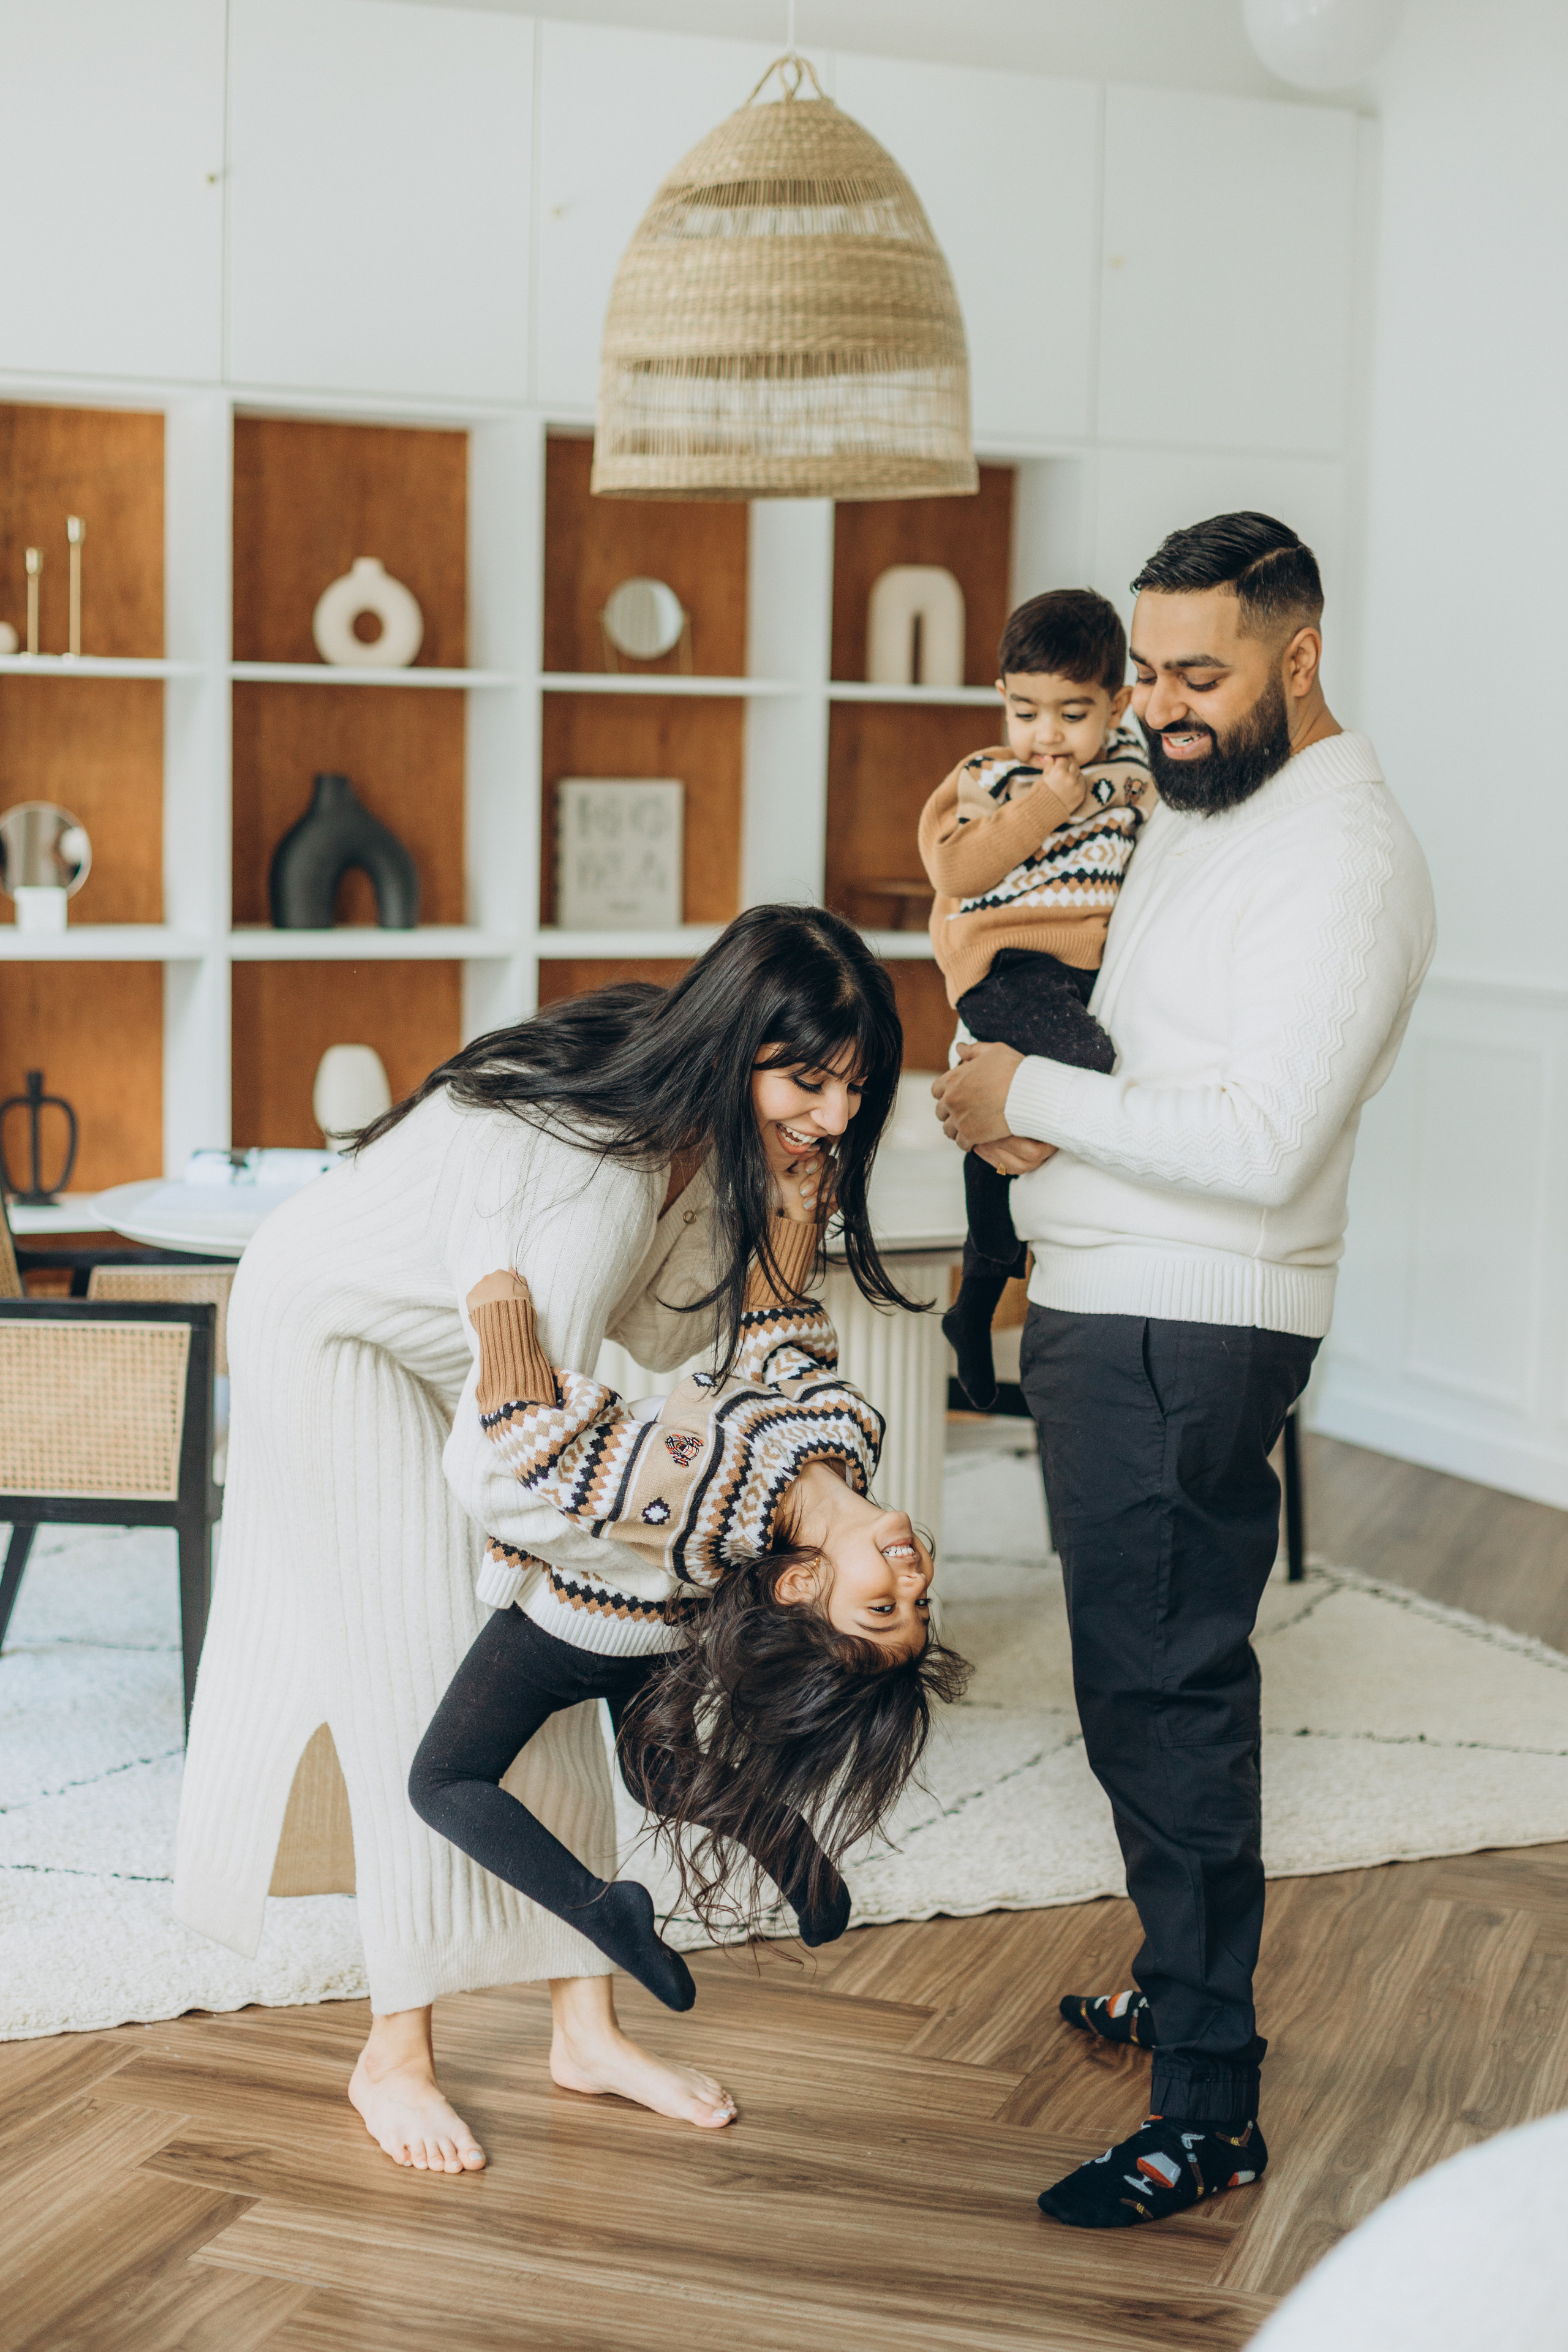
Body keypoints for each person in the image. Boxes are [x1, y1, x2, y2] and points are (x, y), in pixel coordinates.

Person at [175, 905, 913, 2176]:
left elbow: (693, 1344)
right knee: (420, 1679)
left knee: (575, 1652)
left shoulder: (721, 1128)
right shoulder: (589, 1181)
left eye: (855, 1086)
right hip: (337, 1330)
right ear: (735, 1042)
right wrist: (682, 1548)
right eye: (810, 1080)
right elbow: (506, 1466)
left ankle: (586, 2031)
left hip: (489, 1373)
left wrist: (784, 1235)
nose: (836, 1116)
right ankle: (393, 2054)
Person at [932, 513, 1436, 2228]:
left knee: (1166, 1701)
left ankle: (1209, 2109)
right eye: (1142, 672)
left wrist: (1025, 1097)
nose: (1157, 707)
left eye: (1197, 674)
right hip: (1113, 1303)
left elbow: (1267, 1139)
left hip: (1188, 1321)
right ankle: (1180, 1985)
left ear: (1300, 654)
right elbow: (1140, 1041)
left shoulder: (1343, 855)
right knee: (1132, 1686)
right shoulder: (1212, 808)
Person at [408, 1213, 967, 2009]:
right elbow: (784, 1338)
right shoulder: (850, 1436)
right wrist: (794, 1210)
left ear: (800, 1586)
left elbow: (542, 1446)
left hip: (573, 1630)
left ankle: (603, 1909)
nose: (911, 1581)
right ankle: (781, 1836)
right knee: (657, 1776)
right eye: (918, 1602)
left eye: (883, 1606)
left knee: (442, 1780)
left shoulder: (705, 1488)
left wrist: (499, 1312)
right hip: (668, 1633)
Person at [917, 589, 1151, 1409]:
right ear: (1002, 700)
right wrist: (1046, 800)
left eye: (1072, 714)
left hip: (1080, 973)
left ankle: (977, 1302)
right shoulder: (990, 776)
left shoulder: (1134, 777)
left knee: (1029, 1106)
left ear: (1119, 705)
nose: (1047, 734)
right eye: (1025, 712)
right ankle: (989, 1284)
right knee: (1084, 1065)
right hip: (1003, 964)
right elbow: (955, 869)